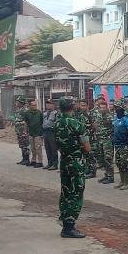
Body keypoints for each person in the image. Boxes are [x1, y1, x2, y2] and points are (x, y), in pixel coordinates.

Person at [54, 96, 91, 238]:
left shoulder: (57, 123)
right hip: (76, 162)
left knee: (65, 192)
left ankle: (64, 220)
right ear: (73, 106)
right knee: (76, 193)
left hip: (64, 161)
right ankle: (69, 227)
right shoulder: (77, 124)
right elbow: (87, 147)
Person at [112, 101, 128, 190]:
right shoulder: (115, 118)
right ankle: (122, 181)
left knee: (125, 164)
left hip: (124, 145)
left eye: (118, 107)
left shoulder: (126, 119)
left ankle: (127, 183)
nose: (116, 109)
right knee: (119, 163)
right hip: (117, 145)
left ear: (122, 108)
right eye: (115, 107)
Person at [96, 98, 115, 184]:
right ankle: (106, 175)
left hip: (107, 140)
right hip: (100, 140)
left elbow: (114, 128)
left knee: (108, 159)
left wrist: (111, 137)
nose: (102, 109)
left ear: (106, 108)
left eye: (104, 107)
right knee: (103, 159)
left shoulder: (110, 116)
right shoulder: (98, 116)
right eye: (101, 107)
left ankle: (111, 177)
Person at [23, 99, 44, 168]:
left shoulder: (39, 113)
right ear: (30, 106)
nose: (35, 106)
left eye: (35, 105)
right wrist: (25, 131)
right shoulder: (27, 113)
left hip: (38, 133)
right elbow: (26, 123)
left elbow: (42, 122)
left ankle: (40, 162)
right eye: (33, 105)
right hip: (31, 133)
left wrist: (42, 133)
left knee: (38, 148)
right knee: (32, 148)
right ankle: (33, 160)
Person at [12, 96, 31, 166]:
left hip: (23, 131)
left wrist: (25, 130)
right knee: (22, 145)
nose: (16, 103)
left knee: (25, 145)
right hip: (19, 131)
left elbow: (27, 121)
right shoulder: (18, 110)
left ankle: (27, 159)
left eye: (18, 102)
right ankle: (23, 159)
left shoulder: (25, 111)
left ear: (21, 103)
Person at [42, 99, 59, 171]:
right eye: (47, 103)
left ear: (53, 105)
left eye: (50, 103)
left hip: (52, 132)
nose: (48, 105)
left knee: (53, 148)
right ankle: (49, 163)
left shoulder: (56, 113)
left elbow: (57, 123)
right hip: (45, 132)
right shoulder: (44, 113)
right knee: (47, 148)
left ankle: (55, 164)